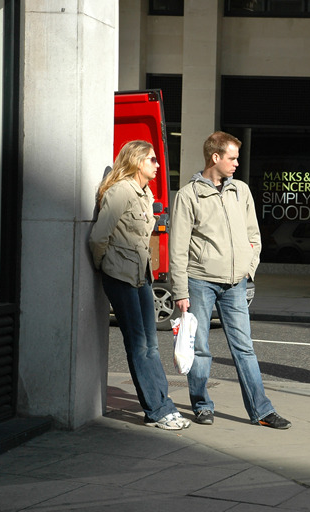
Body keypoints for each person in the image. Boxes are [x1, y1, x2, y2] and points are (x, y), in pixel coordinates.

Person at [170, 131, 290, 429]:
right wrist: (180, 290)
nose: (237, 163)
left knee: (244, 348)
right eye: (232, 158)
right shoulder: (189, 195)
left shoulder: (241, 191)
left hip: (236, 283)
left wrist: (249, 268)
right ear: (215, 157)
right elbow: (178, 247)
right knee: (200, 348)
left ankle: (262, 411)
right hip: (200, 281)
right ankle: (202, 405)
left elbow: (254, 235)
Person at [89, 140, 191, 430]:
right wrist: (104, 266)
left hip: (141, 276)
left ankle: (163, 405)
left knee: (151, 345)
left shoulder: (145, 193)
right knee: (138, 345)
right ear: (136, 161)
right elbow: (98, 237)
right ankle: (156, 410)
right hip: (120, 277)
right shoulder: (121, 191)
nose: (157, 165)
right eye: (152, 160)